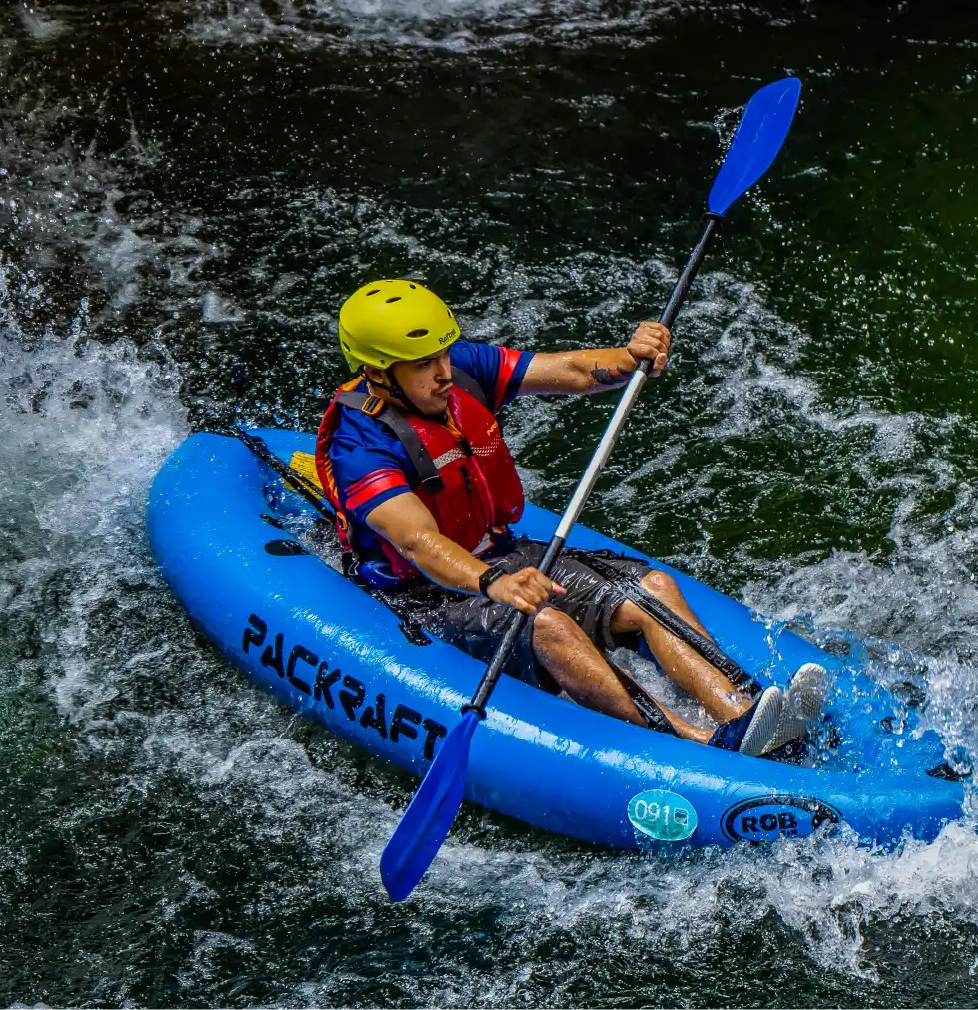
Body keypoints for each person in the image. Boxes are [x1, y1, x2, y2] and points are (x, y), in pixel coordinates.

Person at [313, 279, 824, 756]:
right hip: (426, 595)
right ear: (379, 372)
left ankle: (747, 716)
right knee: (549, 625)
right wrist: (493, 583)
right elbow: (418, 541)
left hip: (500, 555)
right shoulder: (358, 442)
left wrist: (629, 356)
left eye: (443, 354)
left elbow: (574, 371)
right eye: (424, 364)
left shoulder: (462, 370)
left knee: (654, 589)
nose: (444, 371)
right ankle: (703, 741)